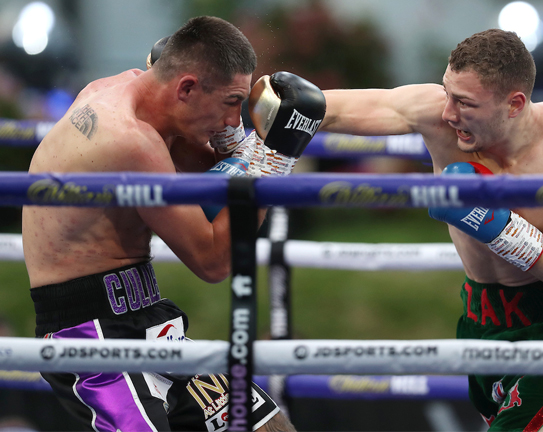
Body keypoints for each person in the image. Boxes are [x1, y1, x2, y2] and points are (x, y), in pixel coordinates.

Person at [22, 16, 324, 432]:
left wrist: (237, 146)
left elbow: (204, 171)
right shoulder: (129, 141)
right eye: (232, 102)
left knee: (269, 427)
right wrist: (274, 161)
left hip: (147, 314)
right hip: (93, 335)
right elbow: (215, 262)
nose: (235, 119)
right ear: (185, 88)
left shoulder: (128, 92)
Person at [320, 29, 543, 431]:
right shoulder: (443, 116)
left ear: (514, 104)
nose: (448, 113)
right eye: (448, 93)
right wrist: (262, 106)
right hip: (482, 323)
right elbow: (329, 107)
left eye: (465, 103)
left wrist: (498, 228)